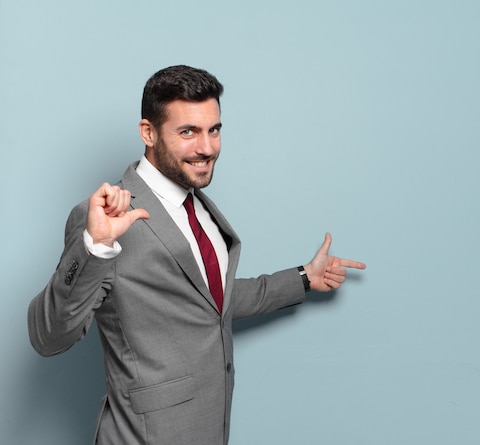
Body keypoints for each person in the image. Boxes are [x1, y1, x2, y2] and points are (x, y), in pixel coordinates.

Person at [27, 65, 366, 445]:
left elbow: (210, 300)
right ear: (148, 133)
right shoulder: (105, 219)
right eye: (188, 132)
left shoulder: (200, 207)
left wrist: (304, 277)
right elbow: (48, 335)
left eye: (214, 130)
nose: (206, 147)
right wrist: (95, 247)